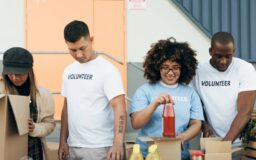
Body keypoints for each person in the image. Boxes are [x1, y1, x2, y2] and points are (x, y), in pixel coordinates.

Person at [58, 20, 127, 160]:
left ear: (91, 40)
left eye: (82, 48)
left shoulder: (108, 70)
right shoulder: (68, 71)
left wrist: (118, 143)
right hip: (72, 146)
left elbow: (119, 106)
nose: (78, 54)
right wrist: (62, 141)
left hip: (99, 147)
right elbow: (66, 107)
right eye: (72, 50)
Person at [130, 37, 204, 160]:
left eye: (175, 67)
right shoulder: (144, 90)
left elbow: (196, 123)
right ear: (157, 67)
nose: (170, 72)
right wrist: (154, 104)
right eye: (165, 67)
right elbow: (136, 123)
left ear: (183, 68)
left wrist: (182, 137)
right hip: (148, 155)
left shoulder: (190, 93)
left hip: (178, 155)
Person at [191, 32, 256, 158]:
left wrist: (224, 145)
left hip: (238, 144)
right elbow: (196, 105)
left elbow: (245, 112)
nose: (223, 61)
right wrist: (204, 125)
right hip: (211, 143)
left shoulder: (245, 68)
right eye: (218, 56)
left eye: (228, 56)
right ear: (210, 51)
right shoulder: (198, 71)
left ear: (234, 51)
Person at [0, 47, 56, 160]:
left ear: (29, 71)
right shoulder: (1, 91)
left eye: (19, 74)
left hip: (32, 150)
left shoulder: (43, 95)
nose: (15, 78)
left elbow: (50, 124)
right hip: (5, 151)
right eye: (10, 74)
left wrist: (34, 128)